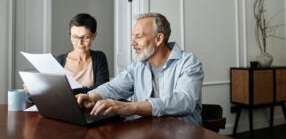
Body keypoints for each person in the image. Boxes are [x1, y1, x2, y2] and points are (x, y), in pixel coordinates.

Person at [76, 12, 204, 125]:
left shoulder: (188, 62)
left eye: (138, 36)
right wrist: (91, 96)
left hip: (182, 132)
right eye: (133, 36)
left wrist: (132, 107)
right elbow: (114, 87)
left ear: (158, 39)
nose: (132, 42)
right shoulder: (138, 64)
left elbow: (184, 101)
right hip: (147, 131)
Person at [24, 13, 109, 96]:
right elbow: (45, 95)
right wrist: (32, 90)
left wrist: (65, 91)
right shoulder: (59, 61)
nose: (80, 43)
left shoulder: (99, 58)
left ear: (94, 36)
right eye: (75, 37)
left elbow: (102, 90)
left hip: (90, 109)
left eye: (85, 37)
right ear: (70, 36)